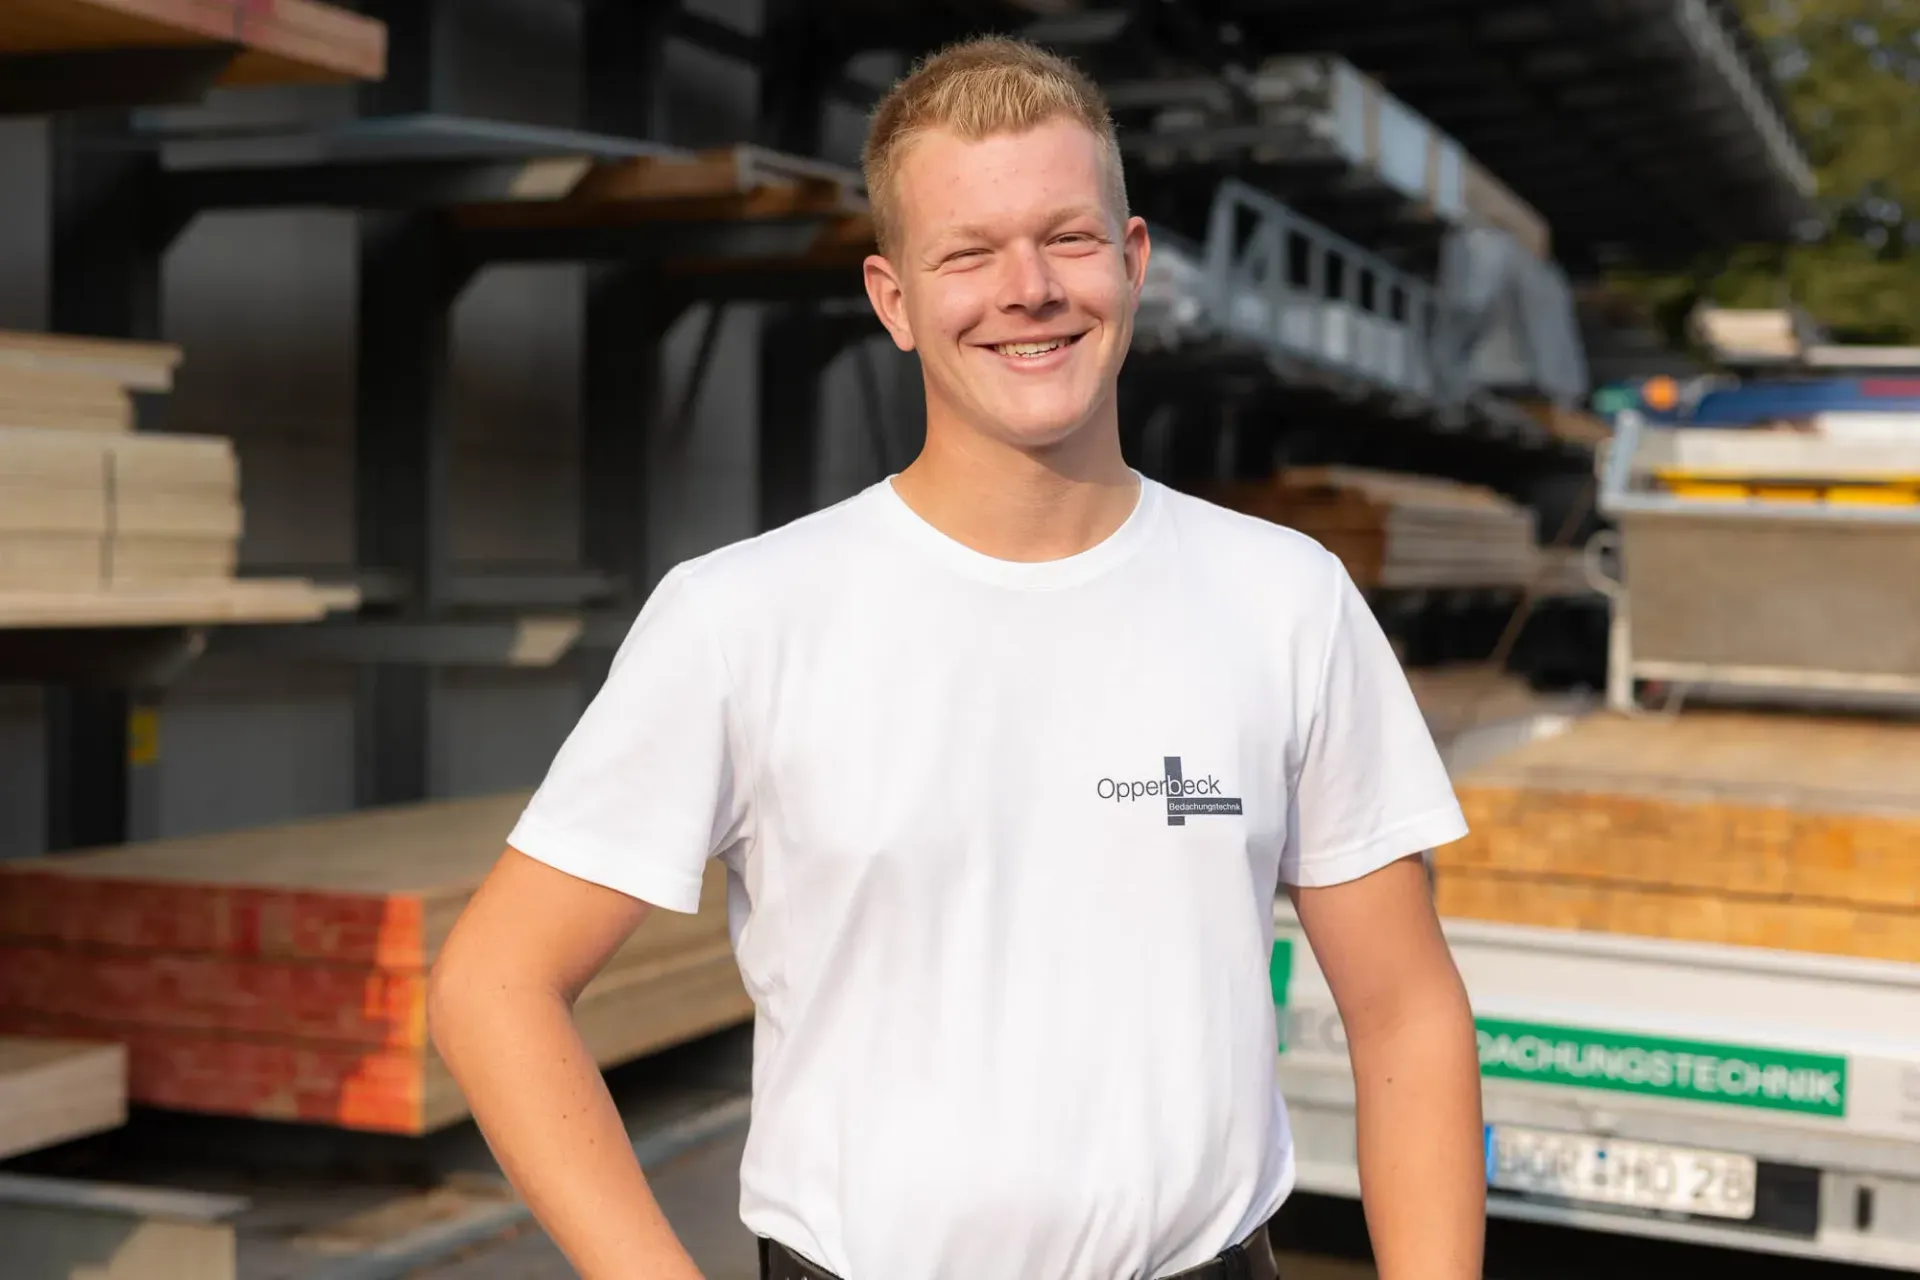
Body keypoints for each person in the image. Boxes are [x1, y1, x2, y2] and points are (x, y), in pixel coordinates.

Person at [427, 34, 1486, 1280]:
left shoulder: (1283, 598)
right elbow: (493, 984)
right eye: (967, 254)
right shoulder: (744, 616)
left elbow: (1406, 1010)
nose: (1027, 288)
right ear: (894, 299)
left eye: (1069, 238)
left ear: (1134, 262)